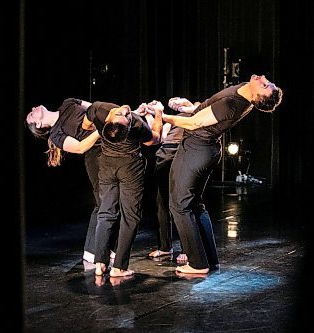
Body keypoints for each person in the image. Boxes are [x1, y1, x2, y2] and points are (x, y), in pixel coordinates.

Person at [162, 74, 284, 274]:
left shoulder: (234, 104)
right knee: (194, 204)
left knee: (179, 206)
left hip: (197, 149)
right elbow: (207, 111)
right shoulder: (244, 88)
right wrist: (188, 108)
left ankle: (197, 263)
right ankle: (208, 258)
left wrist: (162, 117)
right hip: (200, 148)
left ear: (257, 97)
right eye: (267, 81)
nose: (262, 78)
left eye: (265, 85)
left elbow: (194, 124)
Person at [25, 98, 113, 264]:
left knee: (112, 201)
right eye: (31, 114)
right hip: (96, 157)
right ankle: (93, 250)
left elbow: (96, 108)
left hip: (110, 146)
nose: (33, 107)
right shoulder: (56, 134)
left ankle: (105, 247)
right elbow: (80, 148)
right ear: (37, 124)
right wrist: (101, 131)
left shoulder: (67, 103)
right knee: (103, 203)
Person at [83, 100, 163, 277]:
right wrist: (158, 113)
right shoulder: (136, 124)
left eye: (124, 115)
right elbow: (155, 139)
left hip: (107, 164)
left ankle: (100, 263)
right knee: (130, 216)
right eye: (124, 116)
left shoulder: (98, 111)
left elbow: (85, 124)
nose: (125, 112)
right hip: (129, 166)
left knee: (106, 213)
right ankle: (119, 267)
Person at [147, 98, 199, 263]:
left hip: (182, 154)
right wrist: (154, 115)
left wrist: (186, 104)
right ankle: (164, 247)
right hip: (164, 155)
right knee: (161, 203)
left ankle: (187, 249)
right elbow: (159, 137)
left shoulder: (197, 110)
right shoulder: (172, 121)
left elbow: (197, 112)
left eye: (179, 100)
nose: (176, 102)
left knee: (181, 204)